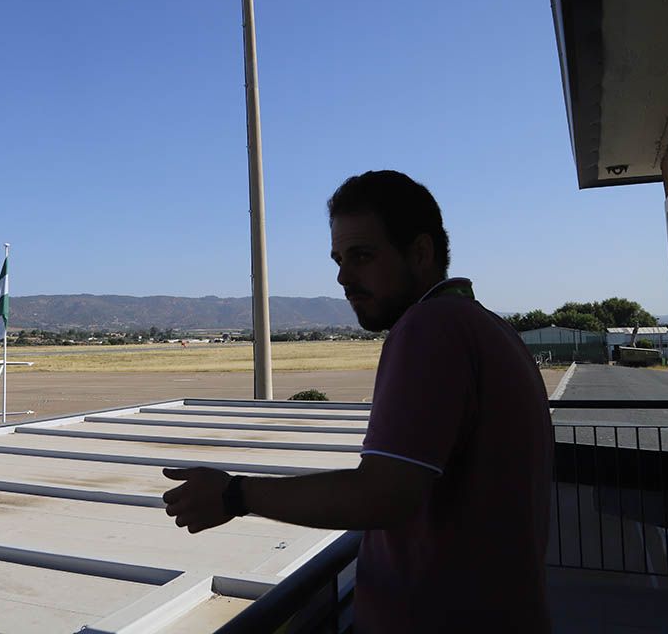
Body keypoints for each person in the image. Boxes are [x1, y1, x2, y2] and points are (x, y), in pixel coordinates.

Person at [162, 170, 553, 632]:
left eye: (363, 256)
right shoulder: (488, 327)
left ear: (421, 252)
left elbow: (382, 496)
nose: (344, 277)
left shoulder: (429, 329)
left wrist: (234, 494)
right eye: (339, 259)